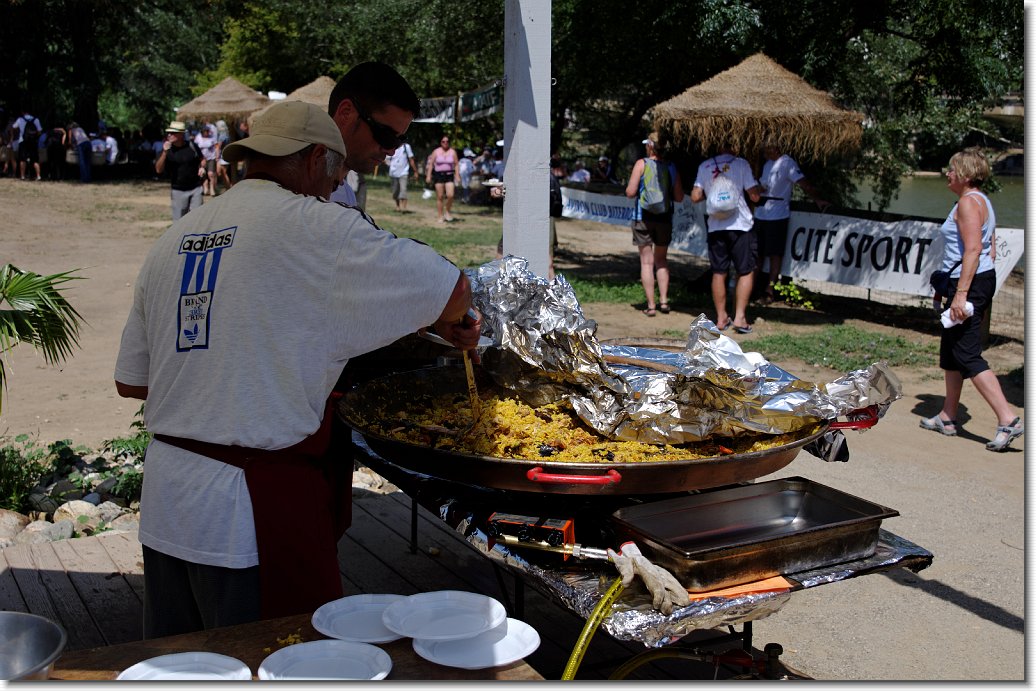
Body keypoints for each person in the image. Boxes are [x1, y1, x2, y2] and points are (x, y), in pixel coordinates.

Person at [113, 100, 482, 638]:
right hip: (248, 515)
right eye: (334, 180)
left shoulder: (174, 238)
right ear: (314, 161)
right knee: (274, 663)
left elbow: (134, 382)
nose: (333, 192)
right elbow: (453, 289)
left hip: (168, 501)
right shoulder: (316, 225)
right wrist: (450, 321)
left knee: (185, 669)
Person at [919, 147, 1022, 452]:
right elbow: (988, 245)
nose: (947, 174)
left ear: (963, 174)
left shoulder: (967, 203)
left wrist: (961, 293)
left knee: (966, 353)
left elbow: (974, 250)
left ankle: (1008, 418)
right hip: (971, 279)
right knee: (951, 351)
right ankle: (948, 416)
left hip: (970, 283)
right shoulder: (981, 201)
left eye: (951, 169)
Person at [326, 61, 420, 209]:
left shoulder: (346, 196)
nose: (391, 150)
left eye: (398, 140)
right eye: (386, 135)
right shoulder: (294, 189)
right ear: (346, 113)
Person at [691, 145, 762, 333]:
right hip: (741, 225)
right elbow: (754, 196)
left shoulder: (705, 166)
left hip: (715, 226)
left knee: (719, 272)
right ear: (734, 145)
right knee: (745, 271)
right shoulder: (741, 164)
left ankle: (721, 318)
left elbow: (695, 196)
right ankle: (740, 318)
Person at [753, 142, 828, 304]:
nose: (764, 152)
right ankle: (752, 287)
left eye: (767, 149)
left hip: (777, 214)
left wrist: (817, 199)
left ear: (775, 148)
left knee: (774, 255)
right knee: (757, 253)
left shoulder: (787, 163)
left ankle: (770, 290)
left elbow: (803, 183)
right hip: (761, 213)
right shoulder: (767, 165)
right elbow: (764, 186)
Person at [625, 133, 685, 316]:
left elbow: (630, 192)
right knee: (661, 260)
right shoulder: (671, 167)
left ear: (650, 146)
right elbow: (679, 197)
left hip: (642, 217)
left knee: (646, 262)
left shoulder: (641, 164)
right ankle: (664, 301)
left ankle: (651, 306)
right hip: (664, 219)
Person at [155, 120, 205, 220]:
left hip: (196, 188)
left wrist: (202, 167)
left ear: (181, 134)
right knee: (179, 222)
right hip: (178, 190)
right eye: (168, 133)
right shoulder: (167, 151)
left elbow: (202, 159)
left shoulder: (192, 146)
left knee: (198, 219)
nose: (169, 135)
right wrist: (164, 152)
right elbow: (158, 170)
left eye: (173, 133)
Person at [425, 134, 460, 223]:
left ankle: (447, 211)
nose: (445, 143)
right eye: (443, 141)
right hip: (438, 175)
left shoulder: (452, 152)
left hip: (449, 175)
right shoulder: (436, 151)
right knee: (440, 196)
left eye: (447, 141)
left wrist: (457, 175)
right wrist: (428, 175)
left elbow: (456, 164)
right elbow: (431, 164)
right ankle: (440, 215)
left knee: (450, 195)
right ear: (440, 142)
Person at [386, 141, 416, 211]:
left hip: (404, 172)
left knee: (403, 190)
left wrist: (415, 171)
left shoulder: (406, 147)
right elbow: (386, 159)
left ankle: (404, 207)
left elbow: (411, 159)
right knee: (395, 191)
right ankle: (398, 206)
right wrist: (390, 165)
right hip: (393, 173)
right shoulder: (391, 146)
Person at [13, 110, 43, 181]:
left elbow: (14, 127)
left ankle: (22, 176)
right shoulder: (36, 119)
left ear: (23, 112)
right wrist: (34, 137)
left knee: (22, 159)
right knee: (35, 159)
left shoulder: (20, 119)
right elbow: (39, 131)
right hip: (33, 141)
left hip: (23, 140)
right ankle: (38, 176)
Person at [194, 121, 219, 196]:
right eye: (205, 131)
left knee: (210, 174)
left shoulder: (212, 137)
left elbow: (217, 146)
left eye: (208, 131)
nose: (207, 132)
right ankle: (205, 188)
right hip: (201, 158)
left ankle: (212, 189)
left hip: (211, 158)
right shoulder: (198, 137)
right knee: (203, 174)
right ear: (202, 131)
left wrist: (217, 155)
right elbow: (195, 147)